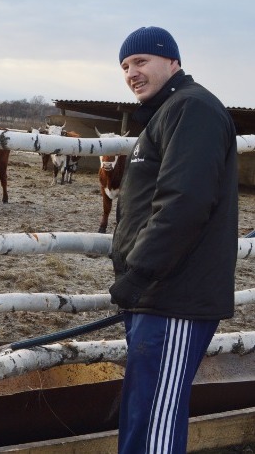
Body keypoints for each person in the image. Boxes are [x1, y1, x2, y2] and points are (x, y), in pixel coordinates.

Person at [109, 26, 238, 454]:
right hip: (156, 294)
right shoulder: (169, 112)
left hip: (174, 294)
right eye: (126, 66)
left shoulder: (192, 109)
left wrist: (139, 273)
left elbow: (185, 201)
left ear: (173, 62)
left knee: (155, 422)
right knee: (144, 414)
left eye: (141, 61)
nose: (132, 73)